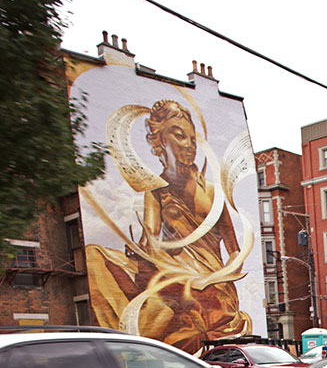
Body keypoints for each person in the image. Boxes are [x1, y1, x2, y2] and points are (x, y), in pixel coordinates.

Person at [86, 99, 251, 352]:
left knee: (190, 301)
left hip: (212, 282)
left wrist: (218, 276)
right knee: (95, 256)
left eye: (192, 139)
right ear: (159, 142)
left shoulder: (214, 194)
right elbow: (151, 241)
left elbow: (235, 251)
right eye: (179, 136)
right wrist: (141, 252)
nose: (189, 146)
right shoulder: (156, 191)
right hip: (172, 272)